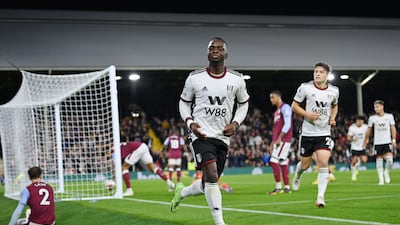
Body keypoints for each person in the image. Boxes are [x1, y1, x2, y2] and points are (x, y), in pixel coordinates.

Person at [171, 37, 249, 225]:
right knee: (212, 176)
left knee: (208, 183)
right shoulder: (195, 78)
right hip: (200, 134)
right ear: (207, 53)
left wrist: (236, 123)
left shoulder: (236, 79)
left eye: (219, 48)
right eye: (211, 48)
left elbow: (244, 104)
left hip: (223, 137)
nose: (215, 50)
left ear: (226, 54)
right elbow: (184, 102)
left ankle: (181, 192)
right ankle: (220, 222)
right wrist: (190, 123)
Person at [291, 61, 339, 208]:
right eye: (315, 71)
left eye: (320, 72)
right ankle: (298, 174)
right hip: (307, 132)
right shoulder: (305, 88)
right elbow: (294, 106)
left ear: (327, 75)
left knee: (323, 162)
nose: (317, 73)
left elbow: (335, 105)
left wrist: (333, 117)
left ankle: (320, 197)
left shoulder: (334, 91)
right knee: (305, 165)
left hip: (324, 132)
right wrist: (308, 115)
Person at [363, 100, 397, 185]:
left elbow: (393, 128)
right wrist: (366, 139)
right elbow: (368, 130)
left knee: (390, 160)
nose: (376, 109)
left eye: (377, 107)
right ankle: (381, 179)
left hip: (387, 141)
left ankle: (386, 172)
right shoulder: (372, 118)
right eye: (375, 107)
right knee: (379, 161)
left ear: (382, 107)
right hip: (377, 142)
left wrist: (394, 140)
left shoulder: (389, 116)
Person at [267, 90, 293, 195]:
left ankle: (278, 188)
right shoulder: (276, 112)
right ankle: (286, 187)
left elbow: (287, 124)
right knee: (282, 162)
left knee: (273, 160)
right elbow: (276, 129)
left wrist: (279, 138)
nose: (271, 100)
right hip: (279, 139)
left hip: (284, 139)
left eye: (272, 98)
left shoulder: (285, 108)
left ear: (278, 97)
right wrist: (272, 142)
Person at [347, 115, 368, 181]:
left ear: (363, 121)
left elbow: (367, 135)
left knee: (364, 160)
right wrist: (353, 139)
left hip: (362, 146)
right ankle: (353, 174)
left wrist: (366, 140)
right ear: (356, 121)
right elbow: (348, 138)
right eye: (358, 120)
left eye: (361, 120)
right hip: (354, 146)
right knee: (353, 161)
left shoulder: (366, 127)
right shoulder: (352, 127)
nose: (359, 122)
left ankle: (356, 167)